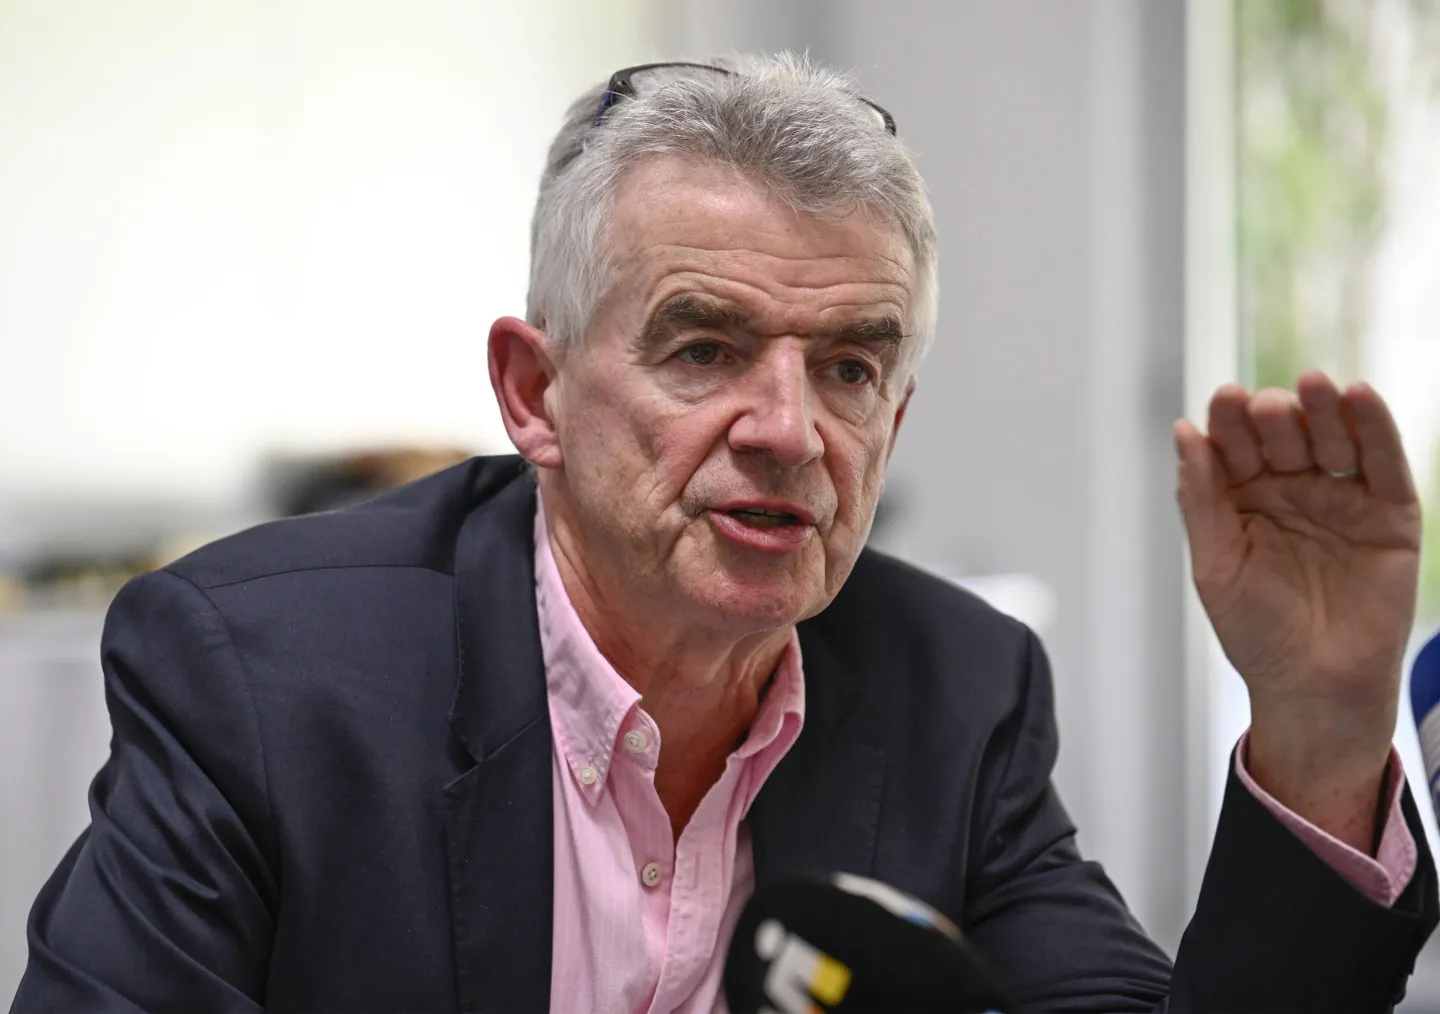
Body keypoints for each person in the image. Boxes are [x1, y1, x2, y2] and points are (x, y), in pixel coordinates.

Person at [12, 54, 1437, 1014]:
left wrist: (1317, 728)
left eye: (850, 366)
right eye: (703, 347)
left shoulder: (958, 689)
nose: (789, 429)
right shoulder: (265, 679)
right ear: (536, 391)